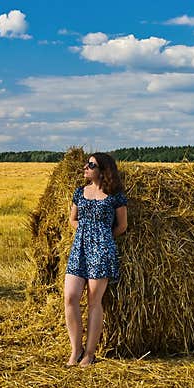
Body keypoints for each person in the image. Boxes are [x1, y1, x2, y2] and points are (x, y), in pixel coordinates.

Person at [64, 152, 128, 367]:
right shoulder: (79, 192)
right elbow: (73, 219)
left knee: (94, 301)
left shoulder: (115, 195)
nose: (85, 167)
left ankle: (90, 353)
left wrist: (103, 237)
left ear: (103, 171)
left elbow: (122, 226)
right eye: (87, 164)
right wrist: (84, 231)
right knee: (70, 297)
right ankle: (76, 350)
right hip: (79, 248)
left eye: (91, 165)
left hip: (102, 251)